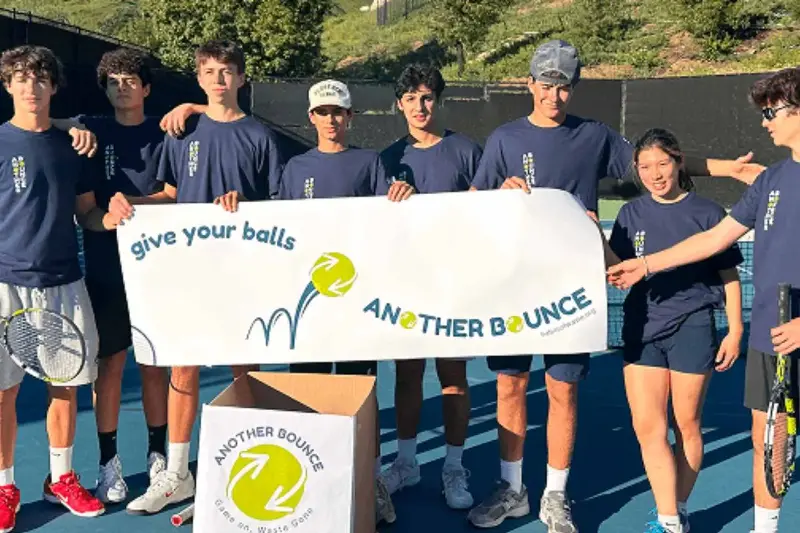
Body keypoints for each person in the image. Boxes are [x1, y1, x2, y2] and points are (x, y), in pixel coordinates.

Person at [466, 39, 766, 531]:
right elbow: (474, 204)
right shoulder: (502, 139)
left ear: (573, 89)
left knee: (562, 391)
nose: (554, 96)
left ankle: (555, 496)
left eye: (564, 87)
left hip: (570, 291)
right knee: (509, 386)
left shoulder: (596, 137)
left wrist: (725, 168)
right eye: (546, 85)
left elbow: (660, 161)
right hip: (515, 287)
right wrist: (498, 195)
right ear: (529, 85)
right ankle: (513, 489)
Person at [608, 67, 800, 533]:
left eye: (771, 112)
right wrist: (646, 265)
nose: (764, 123)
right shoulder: (770, 180)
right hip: (771, 334)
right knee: (766, 438)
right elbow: (714, 240)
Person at [107, 39, 284, 515]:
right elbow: (169, 193)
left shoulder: (261, 137)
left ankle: (255, 457)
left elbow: (279, 210)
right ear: (200, 79)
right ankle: (179, 473)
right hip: (188, 272)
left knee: (244, 369)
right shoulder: (181, 130)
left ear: (242, 79)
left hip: (243, 275)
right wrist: (130, 204)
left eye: (227, 71)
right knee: (182, 367)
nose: (219, 79)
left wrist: (247, 209)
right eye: (209, 71)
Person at [278, 78, 415, 525]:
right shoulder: (295, 168)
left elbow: (389, 220)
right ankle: (310, 479)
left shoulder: (370, 162)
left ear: (350, 117)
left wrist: (403, 198)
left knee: (360, 394)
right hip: (310, 308)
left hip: (357, 304)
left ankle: (369, 478)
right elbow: (281, 232)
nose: (331, 119)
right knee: (311, 392)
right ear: (311, 118)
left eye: (339, 111)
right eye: (323, 112)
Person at [50, 47, 171, 505]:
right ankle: (109, 465)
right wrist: (110, 217)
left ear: (146, 88)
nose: (123, 87)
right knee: (111, 366)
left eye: (130, 79)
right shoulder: (90, 132)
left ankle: (159, 457)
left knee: (156, 363)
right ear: (105, 89)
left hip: (159, 268)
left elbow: (175, 195)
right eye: (114, 81)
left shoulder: (165, 133)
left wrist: (135, 206)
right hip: (106, 270)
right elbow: (85, 214)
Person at [607, 128, 743, 533]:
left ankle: (678, 506)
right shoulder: (630, 215)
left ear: (679, 162)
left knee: (686, 425)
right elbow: (616, 267)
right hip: (641, 328)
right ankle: (670, 521)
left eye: (663, 164)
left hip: (694, 327)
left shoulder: (708, 213)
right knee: (648, 427)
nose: (655, 174)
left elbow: (730, 276)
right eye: (645, 167)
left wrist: (735, 329)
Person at [0, 45, 113, 530]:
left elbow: (86, 211)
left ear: (53, 87)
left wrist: (112, 218)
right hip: (5, 283)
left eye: (40, 79)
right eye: (21, 79)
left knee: (63, 386)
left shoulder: (75, 146)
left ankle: (61, 477)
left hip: (64, 281)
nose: (31, 88)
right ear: (8, 85)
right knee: (3, 393)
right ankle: (5, 486)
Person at [376, 64, 481, 511]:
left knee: (453, 378)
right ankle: (406, 462)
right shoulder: (384, 159)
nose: (420, 106)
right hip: (406, 285)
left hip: (455, 283)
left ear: (438, 101)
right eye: (411, 98)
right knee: (407, 375)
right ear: (399, 104)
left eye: (427, 97)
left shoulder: (466, 150)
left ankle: (454, 466)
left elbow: (487, 214)